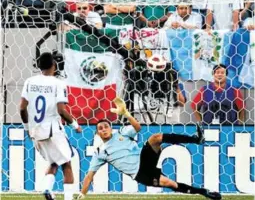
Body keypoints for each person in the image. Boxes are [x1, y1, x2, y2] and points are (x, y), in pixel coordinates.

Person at [76, 97, 222, 200]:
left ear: (110, 127)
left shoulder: (120, 132)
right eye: (100, 128)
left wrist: (126, 114)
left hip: (144, 159)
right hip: (140, 174)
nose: (104, 129)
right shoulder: (100, 152)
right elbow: (89, 175)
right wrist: (83, 194)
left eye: (106, 126)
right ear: (97, 133)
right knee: (170, 183)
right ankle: (205, 193)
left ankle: (196, 139)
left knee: (156, 138)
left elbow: (138, 127)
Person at [19, 52, 82, 200]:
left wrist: (28, 129)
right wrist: (75, 125)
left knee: (54, 162)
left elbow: (22, 108)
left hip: (36, 131)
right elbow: (61, 110)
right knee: (67, 164)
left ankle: (47, 188)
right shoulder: (58, 83)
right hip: (53, 130)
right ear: (54, 65)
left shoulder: (29, 81)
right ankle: (68, 198)